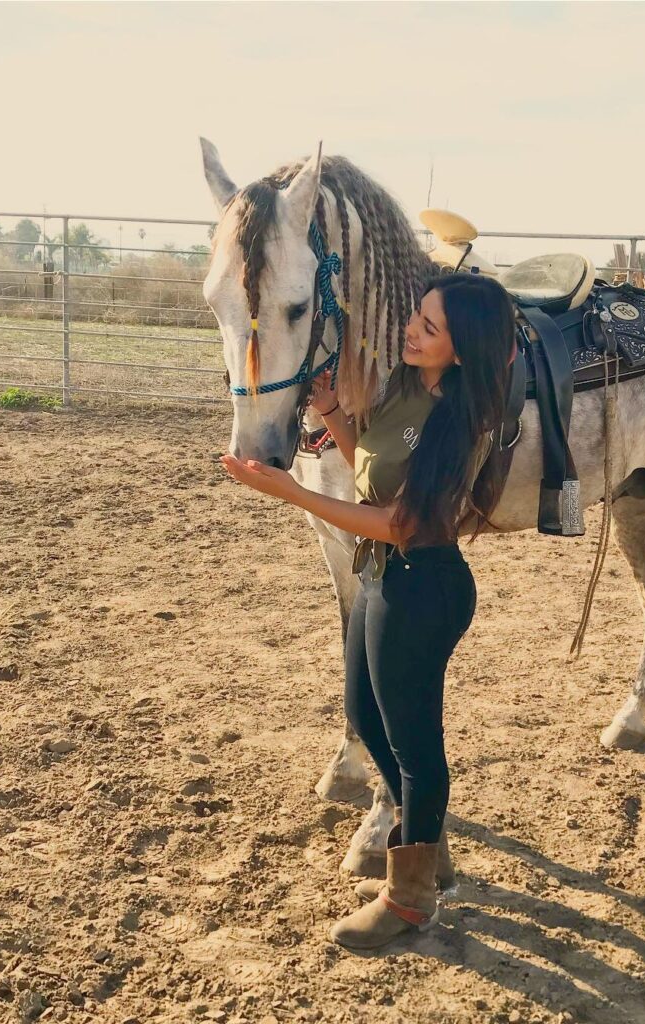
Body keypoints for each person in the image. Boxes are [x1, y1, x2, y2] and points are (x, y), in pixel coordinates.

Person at [220, 274, 516, 950]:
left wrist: (293, 493)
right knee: (365, 718)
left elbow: (401, 521)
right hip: (383, 577)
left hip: (422, 585)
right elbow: (371, 475)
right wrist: (331, 415)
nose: (411, 329)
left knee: (415, 749)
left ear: (462, 348)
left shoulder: (459, 417)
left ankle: (410, 900)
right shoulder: (410, 390)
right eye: (417, 314)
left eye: (430, 327)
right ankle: (425, 854)